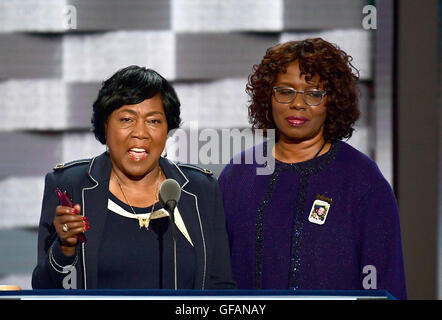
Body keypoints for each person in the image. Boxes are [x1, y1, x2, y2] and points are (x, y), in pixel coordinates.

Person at [218, 38, 407, 299]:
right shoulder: (238, 175)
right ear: (268, 97)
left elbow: (385, 282)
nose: (298, 104)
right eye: (285, 91)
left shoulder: (362, 179)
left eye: (314, 94)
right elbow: (214, 278)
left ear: (333, 101)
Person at [32, 65, 236, 290]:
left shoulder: (201, 190)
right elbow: (45, 290)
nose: (141, 132)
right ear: (105, 125)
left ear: (167, 129)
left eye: (154, 121)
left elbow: (220, 286)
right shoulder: (70, 186)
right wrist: (65, 249)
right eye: (127, 119)